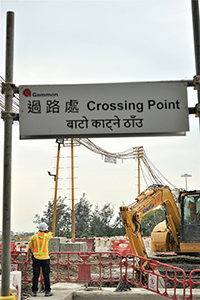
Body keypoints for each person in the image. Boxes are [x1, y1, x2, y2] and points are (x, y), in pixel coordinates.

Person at [27, 222, 53, 297]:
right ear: (45, 229)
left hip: (36, 258)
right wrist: (47, 231)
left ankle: (34, 291)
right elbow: (50, 233)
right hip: (45, 258)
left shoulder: (33, 237)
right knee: (46, 275)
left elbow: (29, 249)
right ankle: (47, 291)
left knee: (35, 275)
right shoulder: (47, 236)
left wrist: (28, 258)